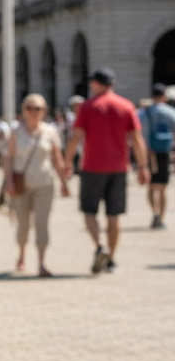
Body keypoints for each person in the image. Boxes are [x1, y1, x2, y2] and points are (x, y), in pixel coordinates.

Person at [64, 68, 150, 274]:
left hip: (92, 166)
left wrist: (67, 161)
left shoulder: (87, 107)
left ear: (96, 84)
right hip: (119, 167)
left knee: (89, 211)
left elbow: (75, 137)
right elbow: (137, 139)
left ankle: (99, 245)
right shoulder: (126, 106)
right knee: (114, 215)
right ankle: (111, 258)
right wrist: (143, 167)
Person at [5, 94, 69, 276]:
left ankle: (42, 262)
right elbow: (8, 158)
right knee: (23, 224)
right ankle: (22, 254)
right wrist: (8, 180)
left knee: (42, 223)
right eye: (30, 108)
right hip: (21, 184)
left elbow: (57, 158)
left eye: (38, 109)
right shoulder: (16, 132)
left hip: (45, 183)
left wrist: (64, 182)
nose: (33, 112)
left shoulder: (51, 132)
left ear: (44, 111)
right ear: (23, 110)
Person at [140, 83, 175, 229]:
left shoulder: (144, 112)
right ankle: (161, 218)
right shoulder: (171, 112)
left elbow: (139, 133)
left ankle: (154, 212)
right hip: (164, 152)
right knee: (162, 188)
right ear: (164, 96)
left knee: (151, 187)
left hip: (149, 152)